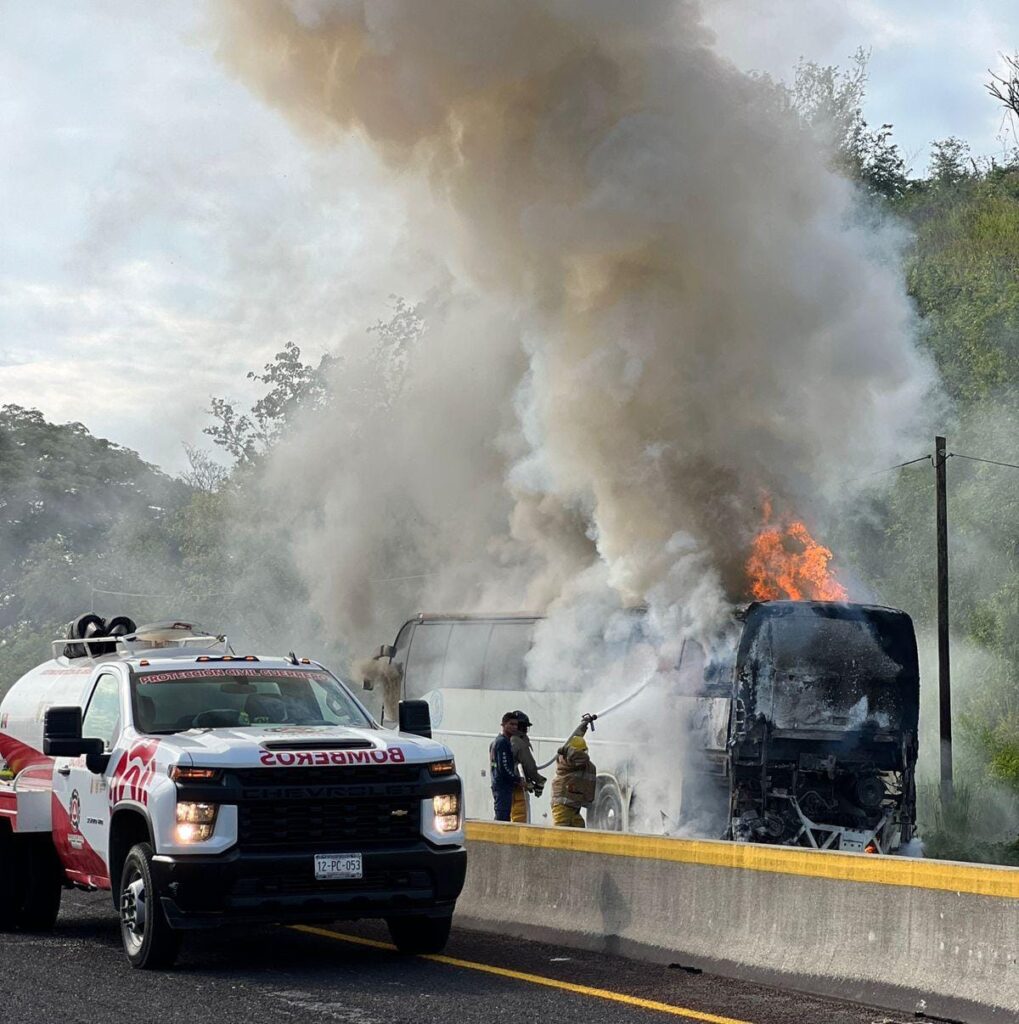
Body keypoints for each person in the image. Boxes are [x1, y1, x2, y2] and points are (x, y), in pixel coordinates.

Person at [552, 733, 597, 827]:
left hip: (574, 807)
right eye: (582, 751)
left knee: (579, 829)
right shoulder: (566, 760)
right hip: (563, 805)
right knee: (560, 833)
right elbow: (581, 757)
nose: (584, 754)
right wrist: (569, 750)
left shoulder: (581, 763)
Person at [508, 710, 546, 824]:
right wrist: (540, 781)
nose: (526, 731)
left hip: (509, 786)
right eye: (524, 727)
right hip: (518, 787)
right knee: (520, 818)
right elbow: (529, 766)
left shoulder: (507, 740)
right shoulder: (518, 742)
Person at [489, 711, 522, 821]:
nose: (514, 727)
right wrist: (517, 779)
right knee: (502, 818)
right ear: (503, 725)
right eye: (511, 724)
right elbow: (503, 768)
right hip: (502, 786)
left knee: (503, 816)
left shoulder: (497, 741)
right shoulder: (502, 742)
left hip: (500, 785)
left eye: (516, 725)